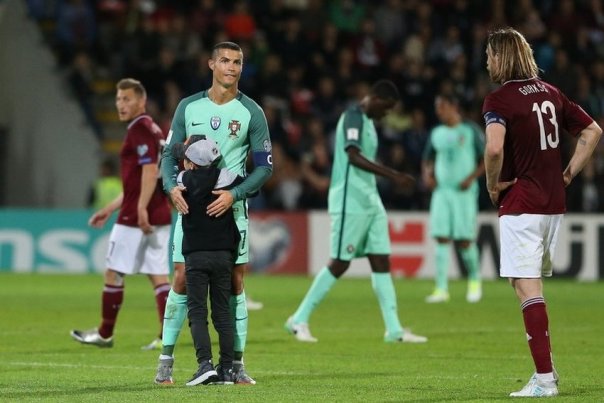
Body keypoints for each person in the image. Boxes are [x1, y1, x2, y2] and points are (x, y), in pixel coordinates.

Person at [482, 28, 601, 397]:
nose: (487, 63)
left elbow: (494, 149)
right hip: (553, 204)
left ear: (501, 57)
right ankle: (546, 369)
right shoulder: (551, 92)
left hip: (523, 203)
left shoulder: (499, 100)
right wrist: (568, 174)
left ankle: (545, 379)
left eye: (489, 55)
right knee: (522, 283)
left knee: (526, 285)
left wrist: (491, 185)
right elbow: (592, 131)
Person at [156, 41, 273, 385]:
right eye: (224, 60)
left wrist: (234, 193)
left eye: (237, 62)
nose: (231, 67)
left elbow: (265, 166)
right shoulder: (188, 106)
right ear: (211, 64)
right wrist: (171, 187)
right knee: (181, 277)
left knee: (235, 283)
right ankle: (165, 361)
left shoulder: (251, 112)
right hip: (190, 209)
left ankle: (236, 365)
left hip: (231, 210)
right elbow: (168, 155)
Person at [284, 80, 427, 344]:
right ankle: (298, 319)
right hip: (350, 200)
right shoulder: (353, 117)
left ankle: (394, 330)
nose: (386, 114)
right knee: (340, 262)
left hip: (370, 200)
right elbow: (352, 155)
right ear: (376, 99)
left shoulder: (369, 122)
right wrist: (393, 175)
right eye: (386, 108)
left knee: (381, 260)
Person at [71, 78, 172, 348]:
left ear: (142, 101)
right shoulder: (153, 128)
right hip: (159, 212)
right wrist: (108, 209)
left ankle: (105, 333)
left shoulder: (139, 129)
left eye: (126, 99)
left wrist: (140, 208)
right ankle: (167, 337)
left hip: (136, 217)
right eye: (118, 99)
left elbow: (149, 171)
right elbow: (138, 181)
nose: (120, 104)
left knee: (113, 273)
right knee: (158, 276)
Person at [171, 136, 243, 386]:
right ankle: (227, 369)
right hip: (223, 255)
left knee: (198, 312)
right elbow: (249, 186)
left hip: (196, 256)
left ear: (191, 163)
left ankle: (205, 365)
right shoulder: (226, 177)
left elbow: (172, 172)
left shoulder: (183, 180)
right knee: (222, 313)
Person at [422, 94, 485, 303]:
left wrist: (471, 178)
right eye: (437, 107)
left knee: (465, 240)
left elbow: (486, 158)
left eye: (441, 107)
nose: (438, 111)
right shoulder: (436, 133)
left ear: (453, 106)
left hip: (463, 193)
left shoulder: (470, 130)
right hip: (442, 192)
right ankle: (441, 288)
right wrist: (428, 176)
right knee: (441, 237)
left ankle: (474, 281)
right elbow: (427, 159)